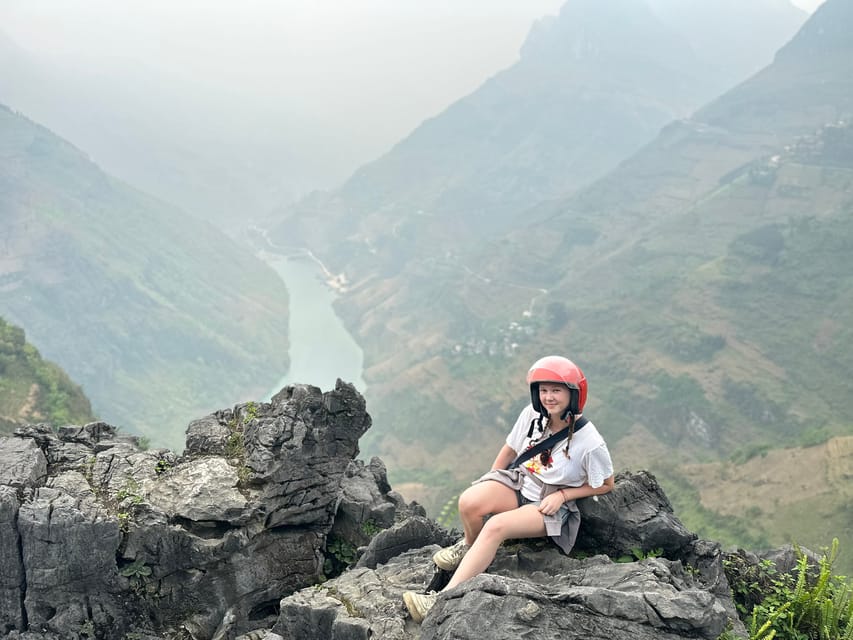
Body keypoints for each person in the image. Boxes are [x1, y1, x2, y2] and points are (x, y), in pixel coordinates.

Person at [402, 355, 615, 623]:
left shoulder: (590, 441)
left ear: (573, 395)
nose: (548, 397)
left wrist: (563, 495)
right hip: (520, 483)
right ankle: (471, 548)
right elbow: (511, 449)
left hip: (547, 504)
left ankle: (440, 601)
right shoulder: (533, 415)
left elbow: (606, 484)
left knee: (495, 527)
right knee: (470, 500)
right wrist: (492, 479)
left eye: (556, 391)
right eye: (543, 390)